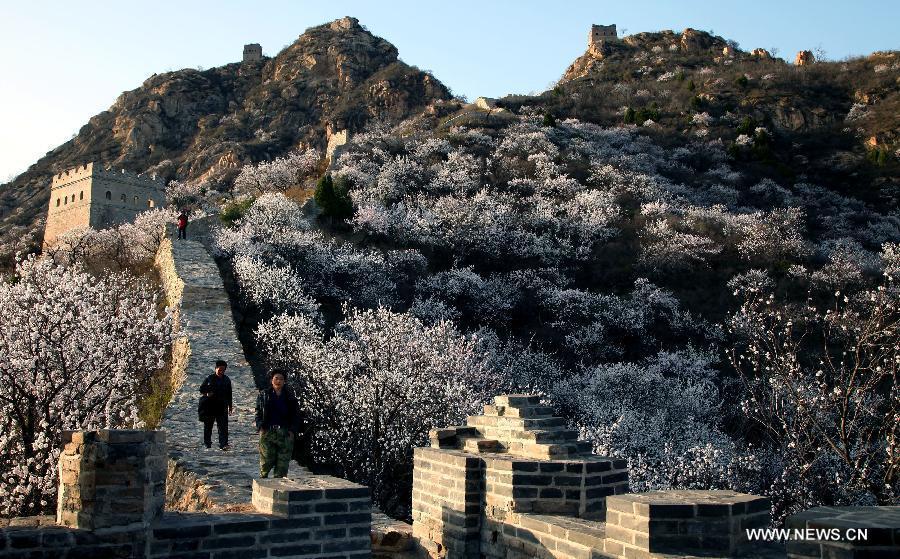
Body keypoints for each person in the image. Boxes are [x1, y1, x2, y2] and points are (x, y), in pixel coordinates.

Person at [255, 370, 301, 478]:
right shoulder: (264, 395)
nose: (278, 381)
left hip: (285, 432)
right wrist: (260, 426)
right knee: (266, 460)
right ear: (271, 380)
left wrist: (292, 431)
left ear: (284, 381)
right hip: (268, 431)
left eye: (281, 379)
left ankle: (279, 486)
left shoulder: (290, 397)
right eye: (276, 378)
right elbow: (258, 412)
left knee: (283, 463)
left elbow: (296, 415)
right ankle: (263, 484)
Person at [199, 360, 233, 450]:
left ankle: (223, 444)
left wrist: (230, 406)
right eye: (220, 369)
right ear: (216, 368)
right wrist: (207, 394)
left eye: (223, 370)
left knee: (223, 427)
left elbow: (229, 393)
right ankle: (207, 443)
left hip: (222, 406)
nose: (221, 371)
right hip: (210, 406)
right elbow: (201, 389)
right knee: (208, 426)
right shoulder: (209, 378)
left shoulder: (226, 380)